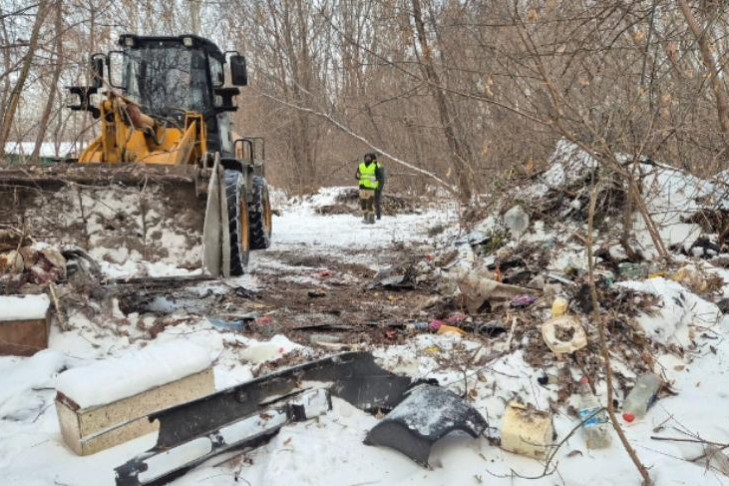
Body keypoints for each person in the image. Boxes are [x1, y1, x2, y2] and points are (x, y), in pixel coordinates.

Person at [355, 153, 381, 224]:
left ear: (371, 158)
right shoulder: (361, 166)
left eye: (369, 158)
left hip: (370, 188)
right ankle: (365, 218)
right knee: (363, 205)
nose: (368, 159)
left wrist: (375, 178)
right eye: (366, 157)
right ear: (364, 158)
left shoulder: (375, 166)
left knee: (369, 204)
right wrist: (357, 176)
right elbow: (356, 176)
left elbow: (379, 176)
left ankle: (372, 219)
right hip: (362, 187)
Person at [373, 153, 385, 220]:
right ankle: (376, 215)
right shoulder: (373, 166)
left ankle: (378, 216)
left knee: (376, 202)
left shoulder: (378, 166)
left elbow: (382, 178)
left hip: (377, 187)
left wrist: (379, 188)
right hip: (372, 187)